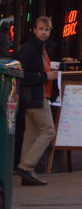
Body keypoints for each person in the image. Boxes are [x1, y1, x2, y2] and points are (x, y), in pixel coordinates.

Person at [16, 16, 57, 186]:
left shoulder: (41, 49)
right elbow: (22, 75)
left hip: (36, 96)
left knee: (31, 135)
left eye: (46, 30)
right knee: (48, 131)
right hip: (36, 97)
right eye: (41, 29)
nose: (44, 32)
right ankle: (26, 166)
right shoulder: (30, 49)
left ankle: (27, 173)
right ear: (34, 30)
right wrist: (44, 76)